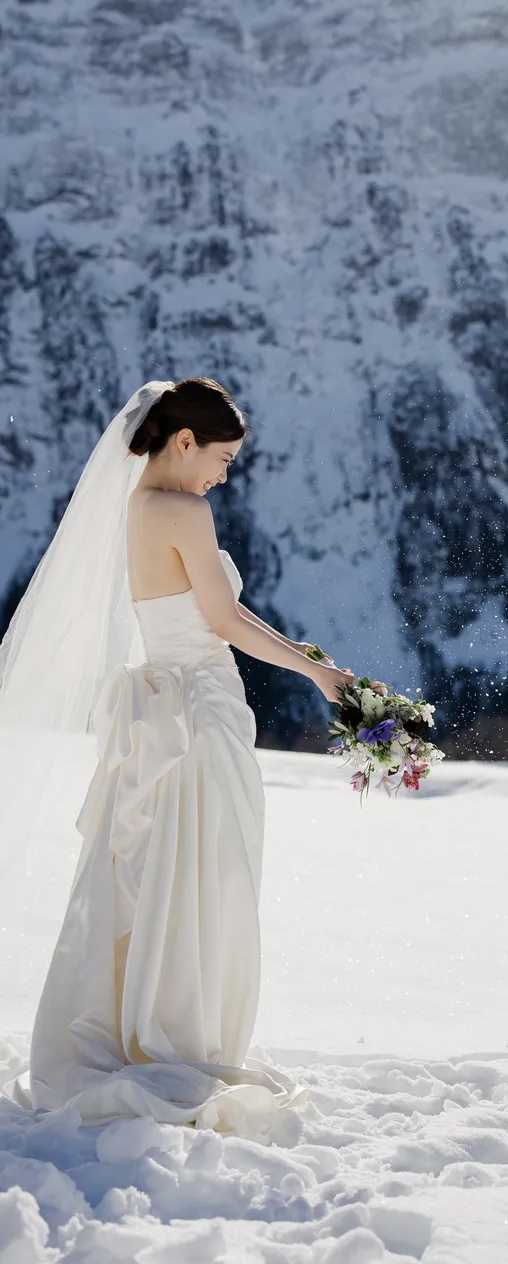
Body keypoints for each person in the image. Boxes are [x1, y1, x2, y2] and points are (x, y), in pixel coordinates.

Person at [0, 379, 353, 1135]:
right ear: (183, 441)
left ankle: (146, 1023)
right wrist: (315, 672)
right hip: (196, 715)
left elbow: (208, 609)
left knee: (161, 876)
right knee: (205, 876)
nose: (225, 474)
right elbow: (221, 619)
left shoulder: (139, 506)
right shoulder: (185, 509)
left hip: (163, 707)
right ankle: (182, 1036)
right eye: (222, 457)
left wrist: (308, 659)